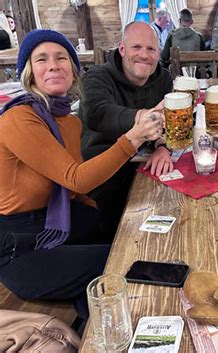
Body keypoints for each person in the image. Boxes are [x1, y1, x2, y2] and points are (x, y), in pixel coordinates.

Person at [0, 29, 161, 319]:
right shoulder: (19, 117)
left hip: (59, 224)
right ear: (29, 73)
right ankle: (104, 330)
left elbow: (74, 190)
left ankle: (92, 313)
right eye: (42, 59)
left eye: (61, 57)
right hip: (20, 246)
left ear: (73, 71)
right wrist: (134, 137)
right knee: (121, 260)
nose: (53, 65)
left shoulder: (69, 121)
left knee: (131, 236)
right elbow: (76, 178)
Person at [79, 21, 173, 239]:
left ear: (158, 53)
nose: (144, 55)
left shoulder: (164, 79)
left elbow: (168, 124)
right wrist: (143, 118)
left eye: (151, 49)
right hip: (103, 174)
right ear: (122, 49)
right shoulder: (96, 76)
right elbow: (97, 114)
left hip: (145, 168)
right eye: (136, 47)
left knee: (174, 211)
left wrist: (162, 148)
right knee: (116, 236)